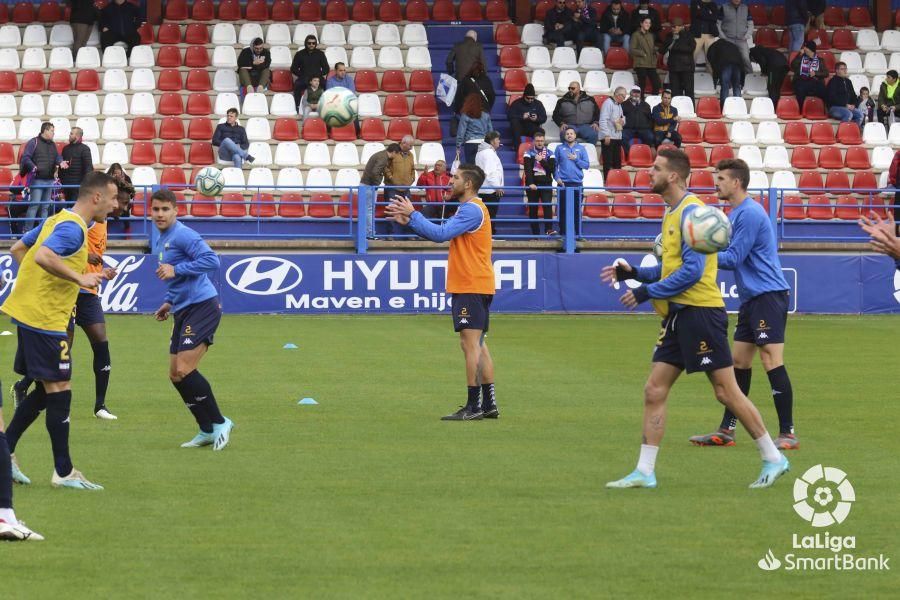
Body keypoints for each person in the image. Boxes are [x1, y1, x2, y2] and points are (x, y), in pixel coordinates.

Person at [600, 149, 789, 490]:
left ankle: (774, 457)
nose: (648, 173)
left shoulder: (694, 214)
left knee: (726, 392)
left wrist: (646, 293)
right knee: (654, 389)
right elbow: (670, 267)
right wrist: (636, 272)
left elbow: (692, 272)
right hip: (679, 314)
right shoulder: (673, 213)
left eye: (655, 169)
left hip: (701, 313)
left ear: (673, 176)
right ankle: (645, 471)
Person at [1, 171, 119, 492]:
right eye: (112, 198)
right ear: (96, 198)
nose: (115, 204)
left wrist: (44, 283)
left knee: (46, 388)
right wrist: (78, 279)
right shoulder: (73, 229)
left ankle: (6, 452)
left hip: (31, 313)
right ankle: (63, 471)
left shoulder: (58, 219)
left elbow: (18, 250)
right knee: (60, 387)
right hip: (44, 318)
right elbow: (42, 256)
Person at [688, 158, 798, 450]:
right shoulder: (736, 214)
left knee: (771, 360)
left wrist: (699, 252)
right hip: (752, 297)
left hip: (768, 294)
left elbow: (733, 258)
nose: (717, 183)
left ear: (736, 182)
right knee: (739, 361)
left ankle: (787, 433)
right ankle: (727, 429)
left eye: (721, 178)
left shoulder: (748, 214)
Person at [385, 166, 498, 421]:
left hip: (470, 284)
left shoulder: (471, 209)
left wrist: (413, 215)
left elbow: (440, 234)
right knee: (479, 345)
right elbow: (441, 233)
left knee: (470, 345)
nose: (450, 181)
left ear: (468, 184)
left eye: (456, 178)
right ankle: (488, 404)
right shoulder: (473, 209)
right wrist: (412, 222)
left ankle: (473, 407)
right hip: (476, 283)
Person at [13, 207, 126, 420]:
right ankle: (30, 388)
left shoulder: (102, 221)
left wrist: (100, 272)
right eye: (116, 199)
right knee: (61, 351)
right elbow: (52, 254)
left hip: (89, 292)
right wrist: (85, 262)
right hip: (69, 290)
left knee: (101, 341)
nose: (117, 205)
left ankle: (100, 405)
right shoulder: (77, 222)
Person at [150, 189, 233, 450]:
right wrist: (169, 302)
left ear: (176, 210)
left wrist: (176, 269)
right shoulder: (162, 239)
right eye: (156, 209)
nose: (160, 214)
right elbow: (179, 278)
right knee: (175, 375)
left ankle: (220, 422)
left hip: (203, 306)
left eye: (165, 209)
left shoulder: (183, 234)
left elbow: (211, 261)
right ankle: (206, 429)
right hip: (183, 308)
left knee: (185, 368)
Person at [20, 122, 68, 231]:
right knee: (34, 206)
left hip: (49, 180)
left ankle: (43, 232)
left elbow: (57, 156)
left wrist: (60, 162)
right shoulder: (33, 142)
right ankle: (27, 231)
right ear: (45, 130)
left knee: (45, 207)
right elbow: (25, 158)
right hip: (37, 180)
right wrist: (33, 166)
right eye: (52, 131)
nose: (53, 133)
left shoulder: (52, 144)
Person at [554, 127, 589, 238]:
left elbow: (586, 165)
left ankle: (578, 235)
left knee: (577, 211)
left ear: (575, 136)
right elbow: (554, 165)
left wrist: (576, 159)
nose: (569, 135)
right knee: (562, 210)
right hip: (563, 183)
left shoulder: (581, 149)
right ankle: (563, 235)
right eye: (567, 133)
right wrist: (556, 178)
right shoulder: (559, 148)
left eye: (571, 133)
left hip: (577, 184)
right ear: (565, 136)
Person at [523, 129, 557, 236]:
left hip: (546, 183)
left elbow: (551, 169)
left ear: (544, 141)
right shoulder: (528, 153)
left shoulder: (550, 153)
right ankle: (535, 234)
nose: (539, 143)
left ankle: (549, 229)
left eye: (541, 141)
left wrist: (541, 160)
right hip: (533, 185)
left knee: (547, 206)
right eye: (537, 140)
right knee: (533, 209)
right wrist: (531, 183)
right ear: (534, 141)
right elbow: (527, 170)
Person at [385, 135, 416, 235]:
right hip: (392, 187)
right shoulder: (393, 151)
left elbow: (412, 168)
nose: (411, 148)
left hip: (406, 188)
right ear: (403, 143)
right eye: (410, 145)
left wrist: (412, 178)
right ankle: (391, 235)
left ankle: (409, 234)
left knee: (408, 212)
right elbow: (385, 167)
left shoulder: (411, 155)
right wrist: (391, 178)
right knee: (392, 210)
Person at [475, 131, 503, 234]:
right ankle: (489, 236)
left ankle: (487, 236)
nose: (499, 141)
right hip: (490, 190)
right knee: (490, 215)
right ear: (492, 141)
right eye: (497, 139)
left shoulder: (481, 152)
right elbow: (490, 173)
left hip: (483, 188)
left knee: (485, 215)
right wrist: (497, 187)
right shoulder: (489, 153)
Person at [661, 18, 696, 100]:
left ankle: (691, 111)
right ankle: (676, 111)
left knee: (689, 92)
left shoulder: (688, 35)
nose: (674, 28)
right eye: (673, 27)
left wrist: (675, 46)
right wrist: (672, 40)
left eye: (676, 27)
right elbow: (662, 50)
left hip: (687, 67)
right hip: (674, 67)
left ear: (682, 27)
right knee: (675, 93)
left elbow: (691, 49)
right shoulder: (669, 36)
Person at [291, 35, 329, 110]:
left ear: (316, 44)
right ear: (306, 43)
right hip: (304, 78)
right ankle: (297, 106)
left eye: (313, 43)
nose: (311, 45)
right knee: (297, 85)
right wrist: (301, 75)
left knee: (325, 84)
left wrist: (318, 75)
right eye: (309, 43)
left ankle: (325, 107)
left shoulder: (320, 54)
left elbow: (326, 68)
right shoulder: (299, 54)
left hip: (317, 78)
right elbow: (293, 68)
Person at [59, 127, 93, 208]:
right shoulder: (65, 149)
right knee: (68, 208)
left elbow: (88, 167)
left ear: (77, 136)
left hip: (78, 186)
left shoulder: (85, 149)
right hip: (66, 185)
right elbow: (62, 167)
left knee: (76, 208)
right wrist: (62, 182)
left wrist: (85, 184)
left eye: (71, 134)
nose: (69, 135)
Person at [707, 38, 746, 107]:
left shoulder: (714, 46)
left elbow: (711, 59)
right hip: (737, 65)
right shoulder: (732, 45)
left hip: (726, 65)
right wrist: (742, 81)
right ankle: (739, 108)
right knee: (736, 86)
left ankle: (724, 108)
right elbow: (741, 59)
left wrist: (716, 76)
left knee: (725, 87)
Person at [456, 93, 493, 165]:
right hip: (483, 143)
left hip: (470, 144)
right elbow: (491, 132)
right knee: (482, 168)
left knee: (471, 170)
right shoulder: (486, 115)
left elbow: (461, 132)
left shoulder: (465, 115)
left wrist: (458, 146)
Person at [718, 0, 754, 74]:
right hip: (728, 39)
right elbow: (718, 24)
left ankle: (750, 77)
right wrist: (723, 37)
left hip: (742, 40)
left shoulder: (746, 8)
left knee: (746, 59)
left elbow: (751, 24)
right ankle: (724, 77)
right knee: (726, 59)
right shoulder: (724, 8)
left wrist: (746, 36)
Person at [598, 87, 626, 178]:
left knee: (617, 162)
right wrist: (606, 134)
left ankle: (617, 181)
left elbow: (622, 118)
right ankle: (608, 181)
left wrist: (623, 121)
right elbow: (603, 120)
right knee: (608, 162)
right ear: (618, 95)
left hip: (617, 136)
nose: (624, 99)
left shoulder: (619, 105)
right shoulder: (608, 103)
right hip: (609, 136)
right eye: (623, 97)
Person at [791, 41, 827, 109]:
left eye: (806, 47)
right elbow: (793, 66)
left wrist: (816, 73)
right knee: (800, 89)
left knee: (824, 91)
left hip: (815, 82)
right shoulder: (801, 58)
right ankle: (801, 110)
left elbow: (826, 73)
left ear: (810, 49)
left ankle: (825, 110)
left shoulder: (820, 60)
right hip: (801, 81)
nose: (804, 48)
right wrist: (799, 55)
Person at [826, 62, 863, 129]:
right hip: (834, 108)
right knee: (848, 114)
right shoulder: (833, 82)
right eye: (842, 69)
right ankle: (841, 134)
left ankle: (853, 132)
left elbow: (853, 96)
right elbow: (832, 98)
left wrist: (854, 105)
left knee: (860, 114)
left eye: (845, 69)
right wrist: (845, 105)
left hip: (847, 107)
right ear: (837, 71)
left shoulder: (848, 81)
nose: (845, 71)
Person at [630, 18, 660, 95]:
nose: (648, 25)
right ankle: (641, 102)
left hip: (651, 64)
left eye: (649, 23)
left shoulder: (651, 35)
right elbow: (632, 50)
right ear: (641, 23)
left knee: (657, 83)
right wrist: (643, 53)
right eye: (646, 22)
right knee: (642, 85)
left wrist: (655, 52)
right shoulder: (635, 35)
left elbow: (652, 48)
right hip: (640, 63)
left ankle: (653, 100)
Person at [621, 85, 655, 152]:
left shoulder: (646, 105)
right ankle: (628, 154)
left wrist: (648, 127)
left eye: (638, 92)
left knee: (650, 137)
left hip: (643, 129)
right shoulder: (623, 104)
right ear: (630, 93)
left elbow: (650, 119)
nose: (636, 94)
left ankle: (644, 154)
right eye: (634, 92)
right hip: (628, 129)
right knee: (622, 137)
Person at [691, 0, 720, 67]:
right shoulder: (694, 2)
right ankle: (690, 75)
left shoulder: (713, 4)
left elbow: (715, 18)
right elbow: (695, 14)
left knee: (710, 58)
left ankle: (711, 75)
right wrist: (709, 13)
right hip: (697, 34)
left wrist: (701, 12)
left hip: (710, 34)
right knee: (692, 57)